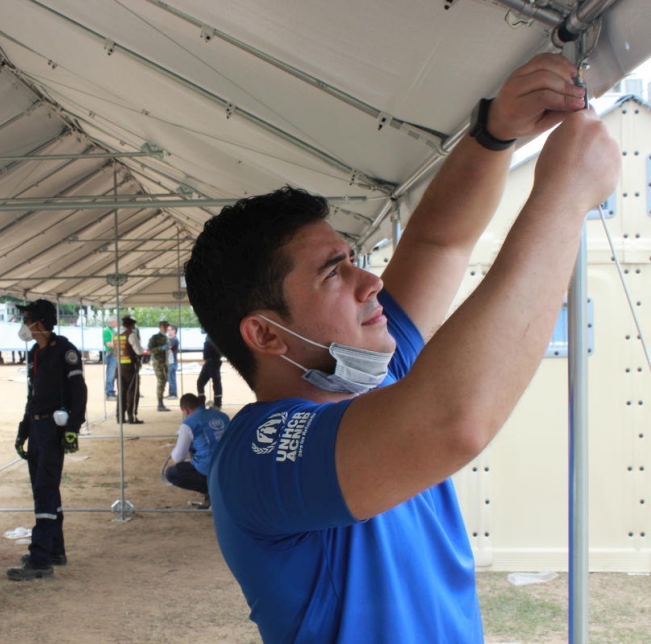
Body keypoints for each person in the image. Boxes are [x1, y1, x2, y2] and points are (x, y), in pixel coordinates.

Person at [183, 53, 619, 642]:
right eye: (334, 273)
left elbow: (439, 242)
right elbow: (452, 421)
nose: (372, 283)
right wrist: (565, 199)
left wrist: (493, 135)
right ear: (265, 334)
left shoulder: (379, 379)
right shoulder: (253, 459)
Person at [11, 299, 87, 581]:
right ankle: (55, 548)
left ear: (38, 323)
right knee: (43, 489)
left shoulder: (64, 351)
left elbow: (78, 391)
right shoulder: (35, 353)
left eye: (27, 319)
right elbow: (32, 396)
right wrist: (23, 430)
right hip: (37, 427)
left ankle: (40, 557)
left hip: (54, 430)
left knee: (45, 488)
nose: (24, 326)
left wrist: (73, 427)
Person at [165, 393, 230, 508]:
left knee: (172, 473)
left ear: (185, 410)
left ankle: (211, 491)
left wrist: (175, 448)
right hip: (230, 465)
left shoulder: (188, 424)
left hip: (209, 467)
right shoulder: (222, 416)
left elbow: (178, 457)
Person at [114, 315, 144, 424]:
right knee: (133, 392)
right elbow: (139, 351)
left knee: (121, 393)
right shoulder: (131, 335)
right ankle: (132, 417)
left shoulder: (115, 335)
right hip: (130, 368)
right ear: (130, 325)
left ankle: (120, 418)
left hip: (119, 367)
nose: (133, 327)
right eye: (133, 325)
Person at [147, 320, 171, 412]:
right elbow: (150, 350)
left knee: (164, 381)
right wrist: (161, 348)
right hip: (158, 363)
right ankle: (160, 404)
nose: (165, 328)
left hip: (165, 363)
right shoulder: (155, 337)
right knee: (161, 382)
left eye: (166, 327)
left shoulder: (166, 337)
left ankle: (161, 404)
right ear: (160, 327)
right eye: (164, 326)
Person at [196, 335, 222, 408]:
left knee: (216, 382)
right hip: (208, 362)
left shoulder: (215, 338)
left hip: (214, 361)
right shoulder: (208, 337)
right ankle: (201, 402)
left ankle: (218, 403)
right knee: (200, 382)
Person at [102, 316, 118, 400]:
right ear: (111, 322)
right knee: (111, 373)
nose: (117, 323)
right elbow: (108, 344)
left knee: (113, 373)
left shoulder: (112, 331)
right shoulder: (107, 331)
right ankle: (109, 393)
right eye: (116, 322)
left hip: (114, 353)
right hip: (111, 353)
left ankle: (111, 391)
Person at [166, 325, 180, 399]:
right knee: (170, 378)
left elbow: (167, 347)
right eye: (168, 330)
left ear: (174, 331)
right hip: (170, 362)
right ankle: (171, 393)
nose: (168, 331)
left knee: (172, 378)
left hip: (172, 362)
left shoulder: (174, 340)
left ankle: (174, 394)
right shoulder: (170, 339)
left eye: (169, 330)